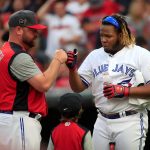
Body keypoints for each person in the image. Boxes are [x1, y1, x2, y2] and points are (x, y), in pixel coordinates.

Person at [66, 14, 150, 150]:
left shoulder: (140, 54)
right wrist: (72, 70)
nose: (103, 40)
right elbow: (78, 87)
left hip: (130, 119)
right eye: (101, 35)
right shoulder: (94, 55)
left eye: (108, 36)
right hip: (102, 120)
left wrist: (124, 91)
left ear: (121, 34)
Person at [0, 10, 67, 150]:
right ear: (18, 30)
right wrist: (58, 59)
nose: (37, 34)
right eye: (32, 30)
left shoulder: (4, 50)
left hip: (8, 119)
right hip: (19, 121)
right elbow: (44, 84)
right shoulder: (18, 55)